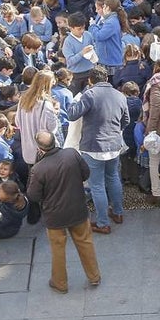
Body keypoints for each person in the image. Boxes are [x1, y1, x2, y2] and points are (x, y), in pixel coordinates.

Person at [27, 131, 101, 292]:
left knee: (58, 250)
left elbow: (33, 195)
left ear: (39, 149)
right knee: (85, 243)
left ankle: (60, 283)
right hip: (77, 209)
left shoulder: (39, 169)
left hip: (54, 216)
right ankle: (94, 276)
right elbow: (85, 173)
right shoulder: (71, 154)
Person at [67, 67, 130, 234]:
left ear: (90, 81)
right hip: (114, 145)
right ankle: (118, 213)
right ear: (107, 79)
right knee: (113, 178)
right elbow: (126, 120)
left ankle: (103, 223)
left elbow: (72, 115)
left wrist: (74, 100)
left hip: (93, 147)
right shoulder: (120, 95)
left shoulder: (89, 95)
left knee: (97, 186)